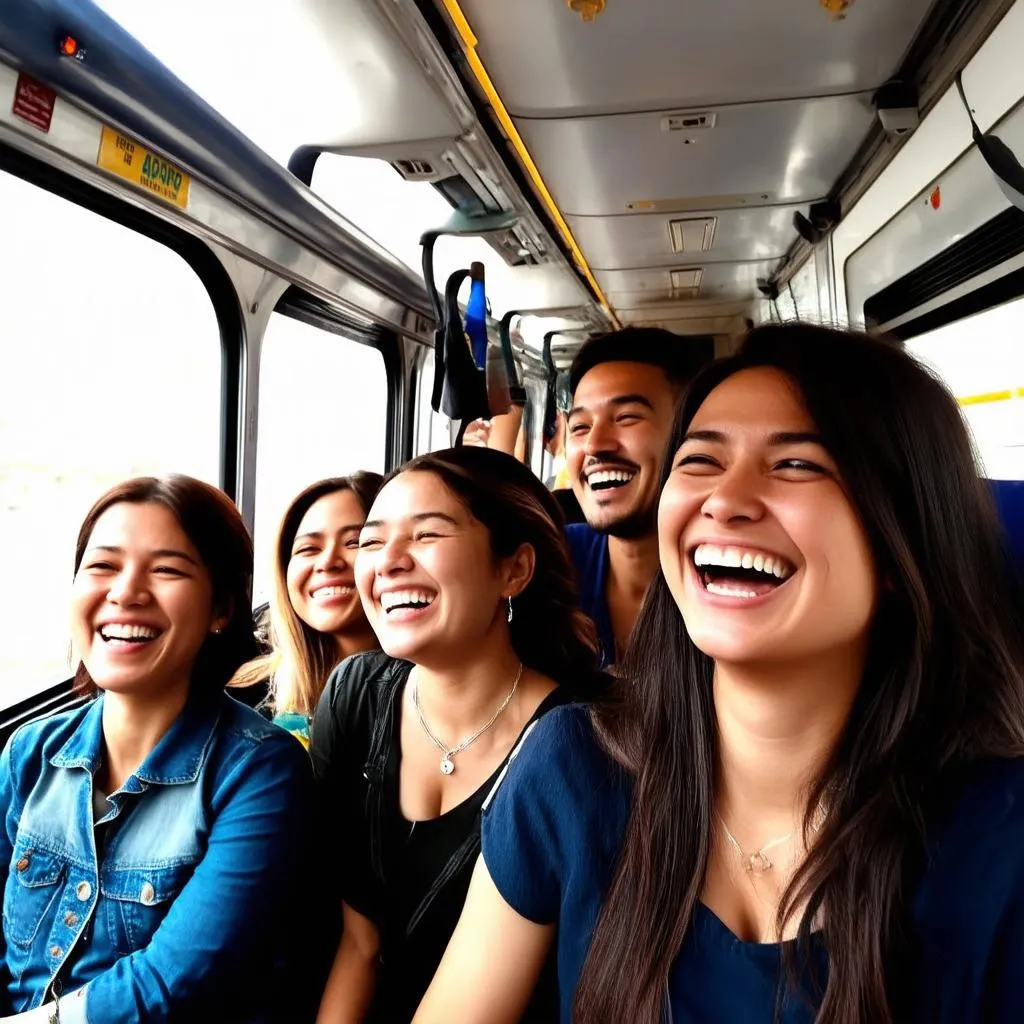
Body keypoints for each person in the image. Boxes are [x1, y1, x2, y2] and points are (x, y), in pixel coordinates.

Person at [414, 323, 1024, 1024]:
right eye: (700, 462)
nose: (725, 501)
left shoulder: (999, 840)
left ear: (902, 539)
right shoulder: (574, 770)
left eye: (797, 466)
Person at [0, 476, 314, 1023]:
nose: (126, 592)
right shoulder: (29, 751)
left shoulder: (260, 769)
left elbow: (175, 980)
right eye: (102, 566)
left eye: (166, 570)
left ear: (220, 608)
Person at [311, 446, 600, 1024]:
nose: (387, 562)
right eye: (370, 541)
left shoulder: (586, 738)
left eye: (426, 535)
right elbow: (358, 944)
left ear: (513, 569)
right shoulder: (355, 694)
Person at [564, 327, 702, 666]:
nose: (595, 445)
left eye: (626, 418)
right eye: (580, 427)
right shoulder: (553, 561)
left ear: (690, 433)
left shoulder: (730, 575)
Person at [230, 474, 383, 747]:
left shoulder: (427, 697)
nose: (327, 562)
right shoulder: (240, 695)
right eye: (309, 548)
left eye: (355, 543)